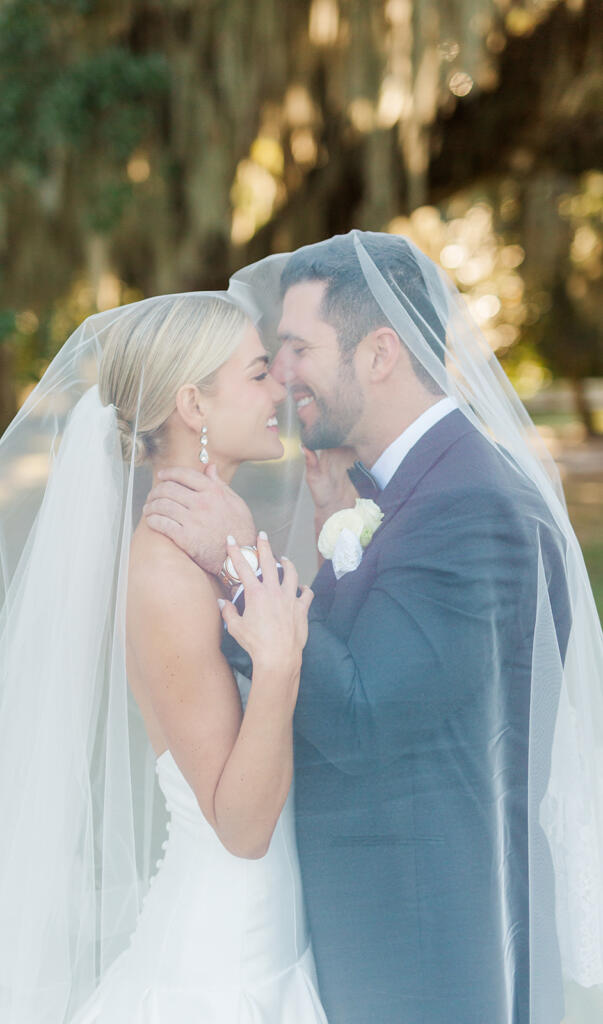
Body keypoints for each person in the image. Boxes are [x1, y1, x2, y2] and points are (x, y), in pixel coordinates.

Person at [144, 231, 603, 1024]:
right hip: (376, 942)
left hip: (429, 958)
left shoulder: (472, 506)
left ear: (380, 352)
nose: (283, 375)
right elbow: (390, 660)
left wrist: (241, 561)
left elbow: (362, 717)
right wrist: (333, 545)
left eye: (298, 348)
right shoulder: (409, 488)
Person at [0, 293, 328, 1024]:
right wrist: (279, 664)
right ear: (193, 405)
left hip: (267, 935)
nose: (279, 390)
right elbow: (241, 830)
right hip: (219, 965)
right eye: (258, 373)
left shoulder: (213, 545)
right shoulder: (167, 572)